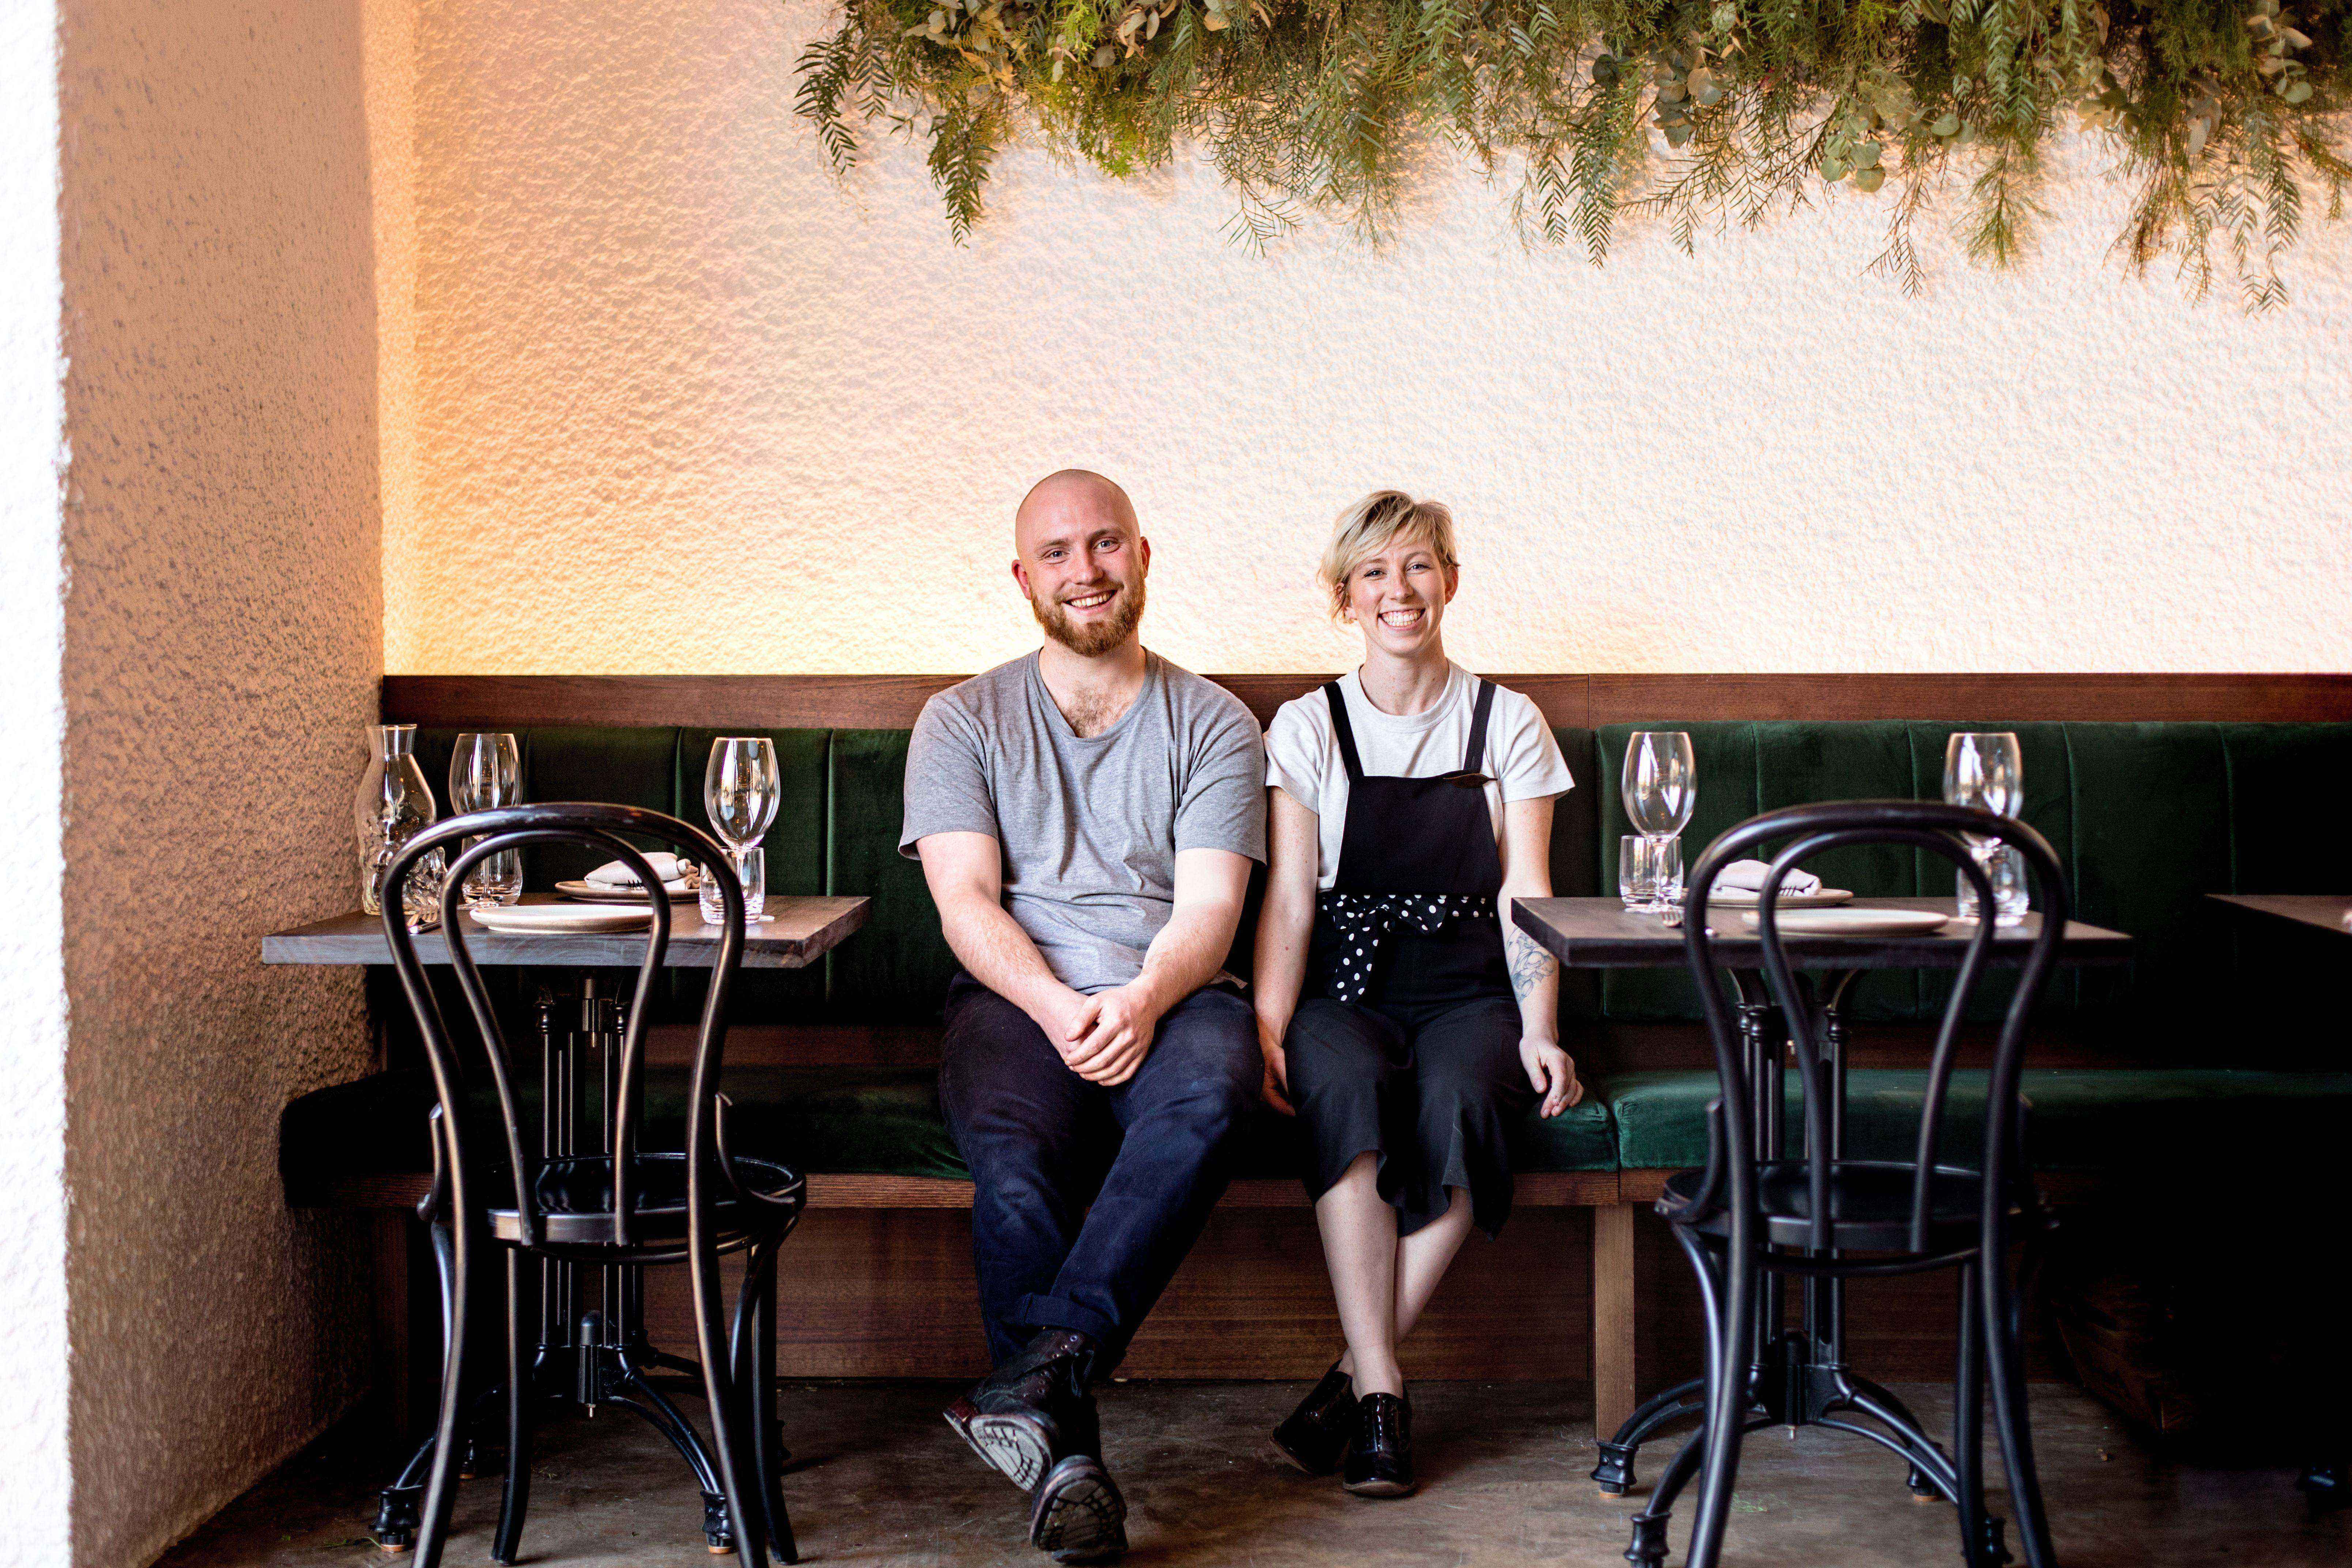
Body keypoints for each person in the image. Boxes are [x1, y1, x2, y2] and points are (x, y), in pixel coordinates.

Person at [902, 470, 1267, 1563]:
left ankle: (1040, 1374)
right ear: (1023, 577)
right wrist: (1060, 1003)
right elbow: (964, 901)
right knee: (1014, 1164)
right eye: (1057, 553)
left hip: (1176, 989)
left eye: (1104, 544)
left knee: (1209, 1094)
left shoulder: (1212, 721)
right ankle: (1068, 1463)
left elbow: (1210, 907)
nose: (1085, 570)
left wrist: (1144, 998)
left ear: (1143, 554)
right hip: (1017, 998)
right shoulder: (961, 719)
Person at [1251, 490, 1582, 1497]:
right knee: (1342, 1092)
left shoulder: (1506, 719)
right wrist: (1265, 1027)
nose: (1400, 590)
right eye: (1373, 572)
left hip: (1470, 985)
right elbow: (1289, 906)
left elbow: (1526, 890)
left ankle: (1355, 1383)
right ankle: (1386, 1391)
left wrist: (1540, 1028)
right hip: (1345, 985)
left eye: (1418, 565)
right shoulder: (1307, 726)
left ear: (1450, 578)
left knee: (1469, 1101)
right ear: (1344, 597)